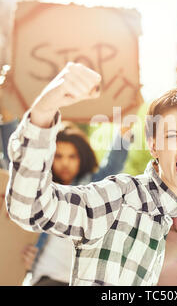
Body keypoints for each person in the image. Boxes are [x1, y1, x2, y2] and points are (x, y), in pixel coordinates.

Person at [5, 62, 177, 286]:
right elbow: (31, 207)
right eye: (173, 135)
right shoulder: (118, 199)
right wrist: (44, 109)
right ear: (153, 146)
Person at [21, 122, 133, 286]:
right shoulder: (40, 189)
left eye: (72, 156)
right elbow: (17, 163)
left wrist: (123, 134)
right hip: (47, 277)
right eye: (58, 156)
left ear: (82, 158)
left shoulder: (90, 187)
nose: (65, 163)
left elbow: (112, 166)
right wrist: (7, 122)